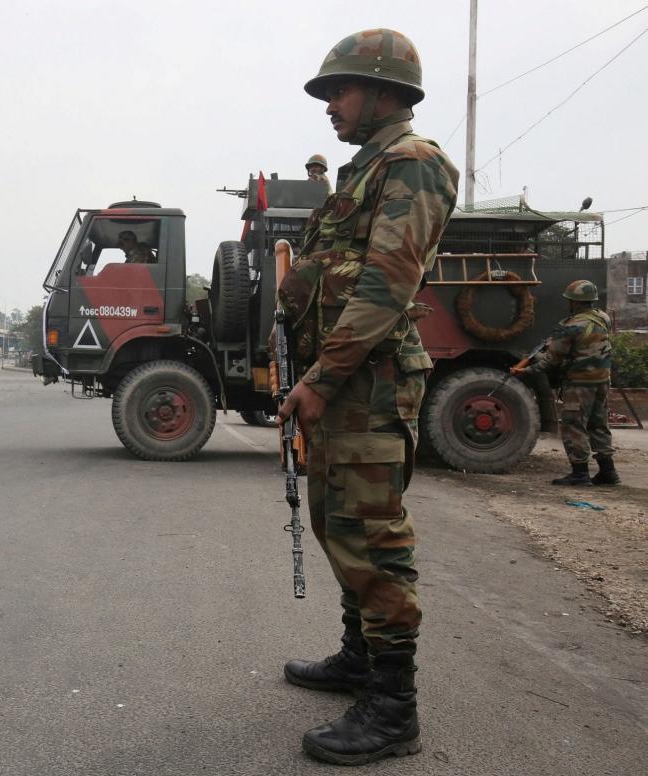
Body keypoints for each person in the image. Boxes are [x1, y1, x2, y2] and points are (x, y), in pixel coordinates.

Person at [275, 29, 459, 765]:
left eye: (339, 90)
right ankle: (359, 660)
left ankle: (392, 709)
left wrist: (321, 378)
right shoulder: (362, 172)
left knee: (372, 535)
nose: (329, 105)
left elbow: (389, 283)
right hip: (346, 377)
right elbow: (334, 272)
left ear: (385, 92)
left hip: (368, 381)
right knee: (336, 523)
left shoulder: (414, 165)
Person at [512, 279, 618, 486]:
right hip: (602, 380)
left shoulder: (570, 326)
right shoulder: (603, 318)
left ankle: (580, 473)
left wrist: (525, 371)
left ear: (574, 302)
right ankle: (608, 471)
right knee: (598, 425)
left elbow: (552, 360)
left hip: (580, 383)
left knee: (574, 425)